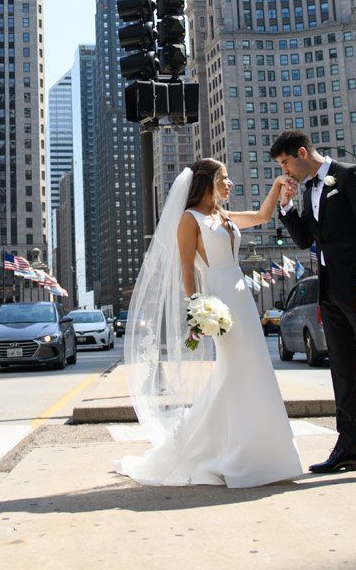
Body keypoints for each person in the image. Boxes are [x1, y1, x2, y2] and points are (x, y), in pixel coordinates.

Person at [116, 161, 301, 488]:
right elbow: (187, 269)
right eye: (223, 178)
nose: (229, 183)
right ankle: (235, 453)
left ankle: (263, 451)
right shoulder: (190, 220)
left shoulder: (223, 216)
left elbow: (261, 217)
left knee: (254, 369)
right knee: (237, 371)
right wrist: (197, 307)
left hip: (242, 298)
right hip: (218, 302)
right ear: (206, 182)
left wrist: (277, 187)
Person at [272, 131, 356, 483]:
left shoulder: (350, 176)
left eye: (286, 162)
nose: (285, 170)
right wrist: (286, 205)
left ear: (302, 153)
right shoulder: (307, 190)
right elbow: (306, 238)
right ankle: (349, 450)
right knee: (343, 373)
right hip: (330, 293)